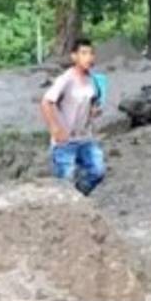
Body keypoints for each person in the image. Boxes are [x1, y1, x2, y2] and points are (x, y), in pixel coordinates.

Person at [41, 37, 107, 195]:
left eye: (91, 53)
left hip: (85, 138)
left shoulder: (93, 80)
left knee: (98, 171)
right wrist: (55, 129)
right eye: (83, 53)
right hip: (65, 141)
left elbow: (93, 102)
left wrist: (93, 112)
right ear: (74, 56)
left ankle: (79, 197)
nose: (88, 57)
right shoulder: (66, 79)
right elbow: (46, 102)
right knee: (65, 181)